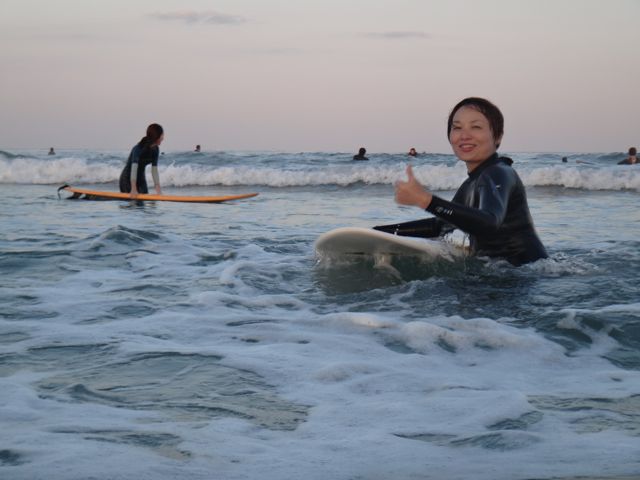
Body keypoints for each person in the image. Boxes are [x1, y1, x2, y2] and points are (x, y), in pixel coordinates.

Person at [374, 97, 547, 266]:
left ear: (498, 137)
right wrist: (378, 232)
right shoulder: (471, 184)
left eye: (476, 127)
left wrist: (426, 201)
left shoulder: (498, 173)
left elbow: (490, 222)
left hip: (524, 274)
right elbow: (440, 226)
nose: (464, 135)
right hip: (504, 274)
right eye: (457, 128)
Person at [119, 123, 164, 198]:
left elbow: (154, 170)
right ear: (156, 136)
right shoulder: (138, 148)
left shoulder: (156, 150)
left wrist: (158, 189)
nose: (163, 138)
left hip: (141, 178)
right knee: (132, 203)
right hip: (127, 179)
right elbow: (134, 168)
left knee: (143, 201)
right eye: (162, 135)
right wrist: (133, 188)